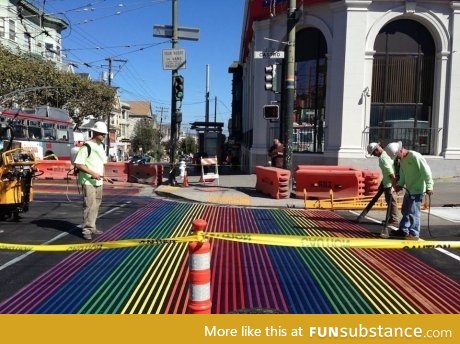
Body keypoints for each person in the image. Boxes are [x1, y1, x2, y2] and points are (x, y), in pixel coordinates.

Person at [384, 141, 434, 240]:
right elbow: (403, 174)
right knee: (405, 210)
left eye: (397, 156)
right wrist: (400, 185)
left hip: (418, 189)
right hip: (409, 189)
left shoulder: (416, 157)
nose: (397, 158)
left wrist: (429, 186)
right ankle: (403, 230)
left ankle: (414, 233)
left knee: (413, 212)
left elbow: (426, 171)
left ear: (401, 151)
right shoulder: (402, 160)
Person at [74, 121, 113, 240]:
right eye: (102, 134)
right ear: (95, 133)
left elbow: (102, 163)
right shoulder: (87, 147)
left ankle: (92, 226)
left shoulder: (101, 146)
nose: (104, 136)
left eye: (104, 134)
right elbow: (79, 164)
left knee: (96, 205)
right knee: (89, 205)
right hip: (88, 181)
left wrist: (104, 176)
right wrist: (93, 173)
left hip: (98, 181)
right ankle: (87, 229)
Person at [367, 142, 399, 237]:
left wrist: (394, 185)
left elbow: (390, 172)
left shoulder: (383, 158)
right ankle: (391, 219)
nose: (374, 155)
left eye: (373, 153)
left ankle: (393, 220)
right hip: (387, 182)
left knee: (391, 202)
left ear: (377, 150)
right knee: (389, 201)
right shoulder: (386, 154)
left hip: (389, 184)